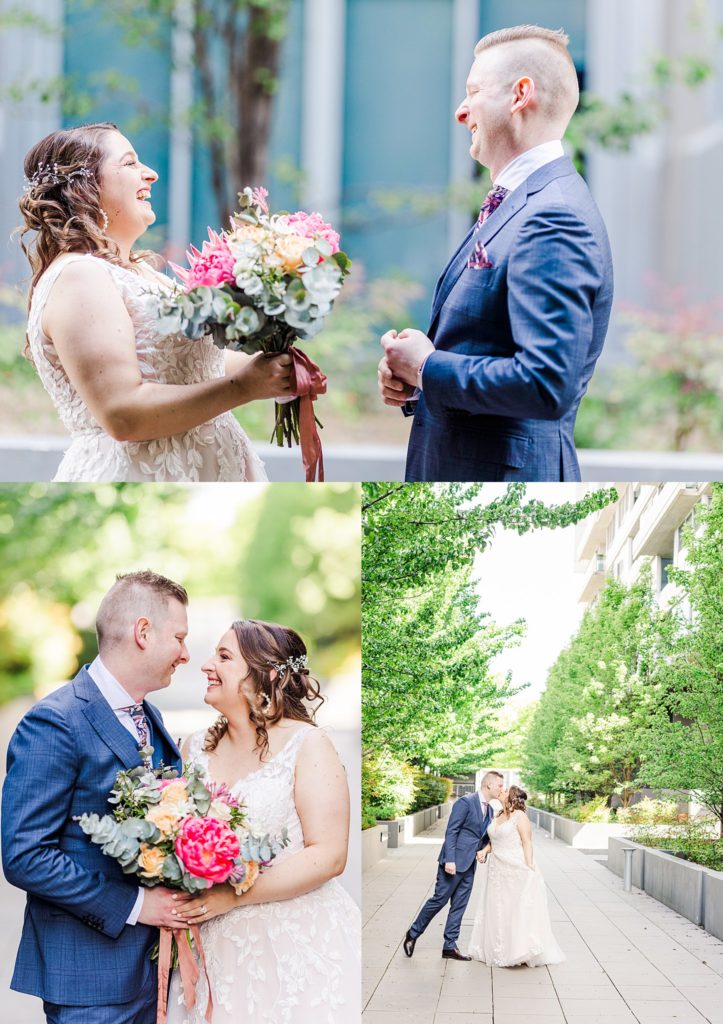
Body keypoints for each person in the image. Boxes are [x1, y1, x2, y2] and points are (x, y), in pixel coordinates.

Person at [378, 25, 614, 482]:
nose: (460, 111)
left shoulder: (554, 214)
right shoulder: (519, 201)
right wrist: (417, 382)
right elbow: (485, 345)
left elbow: (545, 384)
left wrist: (427, 367)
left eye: (474, 92)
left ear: (520, 95)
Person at [18, 122, 292, 481]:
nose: (151, 174)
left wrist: (276, 365)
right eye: (130, 163)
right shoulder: (79, 277)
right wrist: (245, 387)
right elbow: (122, 414)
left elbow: (191, 365)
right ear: (84, 187)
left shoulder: (142, 274)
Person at [1, 570, 194, 1024]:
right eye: (179, 638)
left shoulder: (150, 715)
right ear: (143, 632)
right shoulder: (55, 721)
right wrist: (137, 906)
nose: (186, 654)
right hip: (89, 982)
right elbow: (25, 855)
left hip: (154, 972)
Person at [166, 618, 360, 1024]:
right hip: (214, 949)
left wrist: (232, 897)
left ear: (266, 675)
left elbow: (329, 855)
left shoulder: (307, 744)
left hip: (294, 945)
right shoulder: (193, 749)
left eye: (224, 657)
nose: (206, 665)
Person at [402, 771, 504, 961]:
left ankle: (450, 946)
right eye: (500, 785)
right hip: (453, 862)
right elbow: (452, 831)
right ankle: (413, 933)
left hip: (470, 865)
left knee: (459, 905)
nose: (501, 789)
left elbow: (480, 837)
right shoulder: (466, 802)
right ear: (488, 785)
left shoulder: (490, 810)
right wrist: (450, 860)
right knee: (439, 900)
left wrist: (483, 850)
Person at [468, 785, 565, 966]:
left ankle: (518, 951)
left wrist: (529, 866)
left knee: (515, 909)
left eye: (505, 791)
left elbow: (527, 842)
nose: (501, 791)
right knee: (498, 909)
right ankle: (499, 949)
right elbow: (496, 839)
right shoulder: (497, 814)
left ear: (511, 797)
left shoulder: (520, 816)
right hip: (496, 870)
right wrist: (485, 850)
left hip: (515, 867)